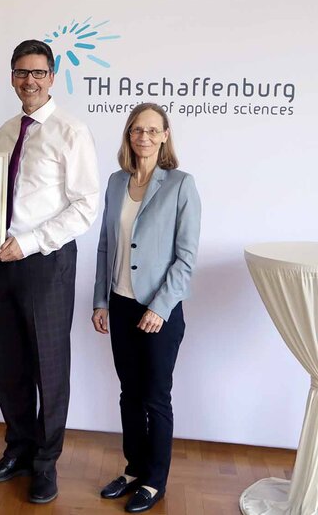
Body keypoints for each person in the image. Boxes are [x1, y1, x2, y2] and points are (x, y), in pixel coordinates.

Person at [0, 39, 99, 504]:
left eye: (38, 72)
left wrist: (28, 243)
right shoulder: (7, 131)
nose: (30, 81)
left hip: (45, 262)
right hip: (1, 260)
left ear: (52, 77)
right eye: (22, 72)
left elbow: (85, 207)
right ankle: (18, 451)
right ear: (12, 77)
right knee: (10, 364)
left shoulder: (71, 131)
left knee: (49, 365)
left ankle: (46, 464)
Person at [91, 103, 201, 513]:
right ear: (129, 135)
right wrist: (101, 300)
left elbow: (186, 258)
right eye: (137, 129)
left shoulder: (181, 185)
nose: (144, 137)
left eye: (153, 130)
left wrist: (161, 307)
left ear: (165, 135)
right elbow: (105, 246)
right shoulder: (116, 182)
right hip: (120, 305)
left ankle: (155, 481)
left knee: (156, 397)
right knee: (129, 395)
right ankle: (134, 468)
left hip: (159, 312)